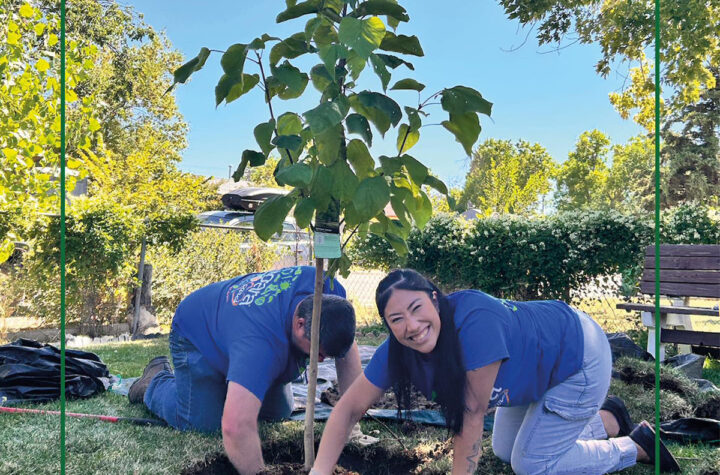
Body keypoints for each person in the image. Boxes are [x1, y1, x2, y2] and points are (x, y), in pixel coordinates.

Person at [311, 269, 681, 475]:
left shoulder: (474, 325)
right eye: (397, 319)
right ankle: (607, 420)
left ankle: (634, 447)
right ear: (388, 327)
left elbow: (470, 418)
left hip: (578, 359)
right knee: (504, 449)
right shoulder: (396, 351)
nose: (412, 325)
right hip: (536, 366)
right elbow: (348, 409)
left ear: (435, 299)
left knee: (531, 464)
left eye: (416, 308)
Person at [127, 266, 362, 474]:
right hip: (198, 333)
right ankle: (154, 382)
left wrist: (353, 424)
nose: (320, 361)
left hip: (239, 333)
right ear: (300, 324)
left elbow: (348, 350)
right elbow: (235, 426)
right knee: (204, 423)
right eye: (319, 352)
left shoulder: (328, 292)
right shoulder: (259, 345)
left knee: (279, 412)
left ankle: (232, 383)